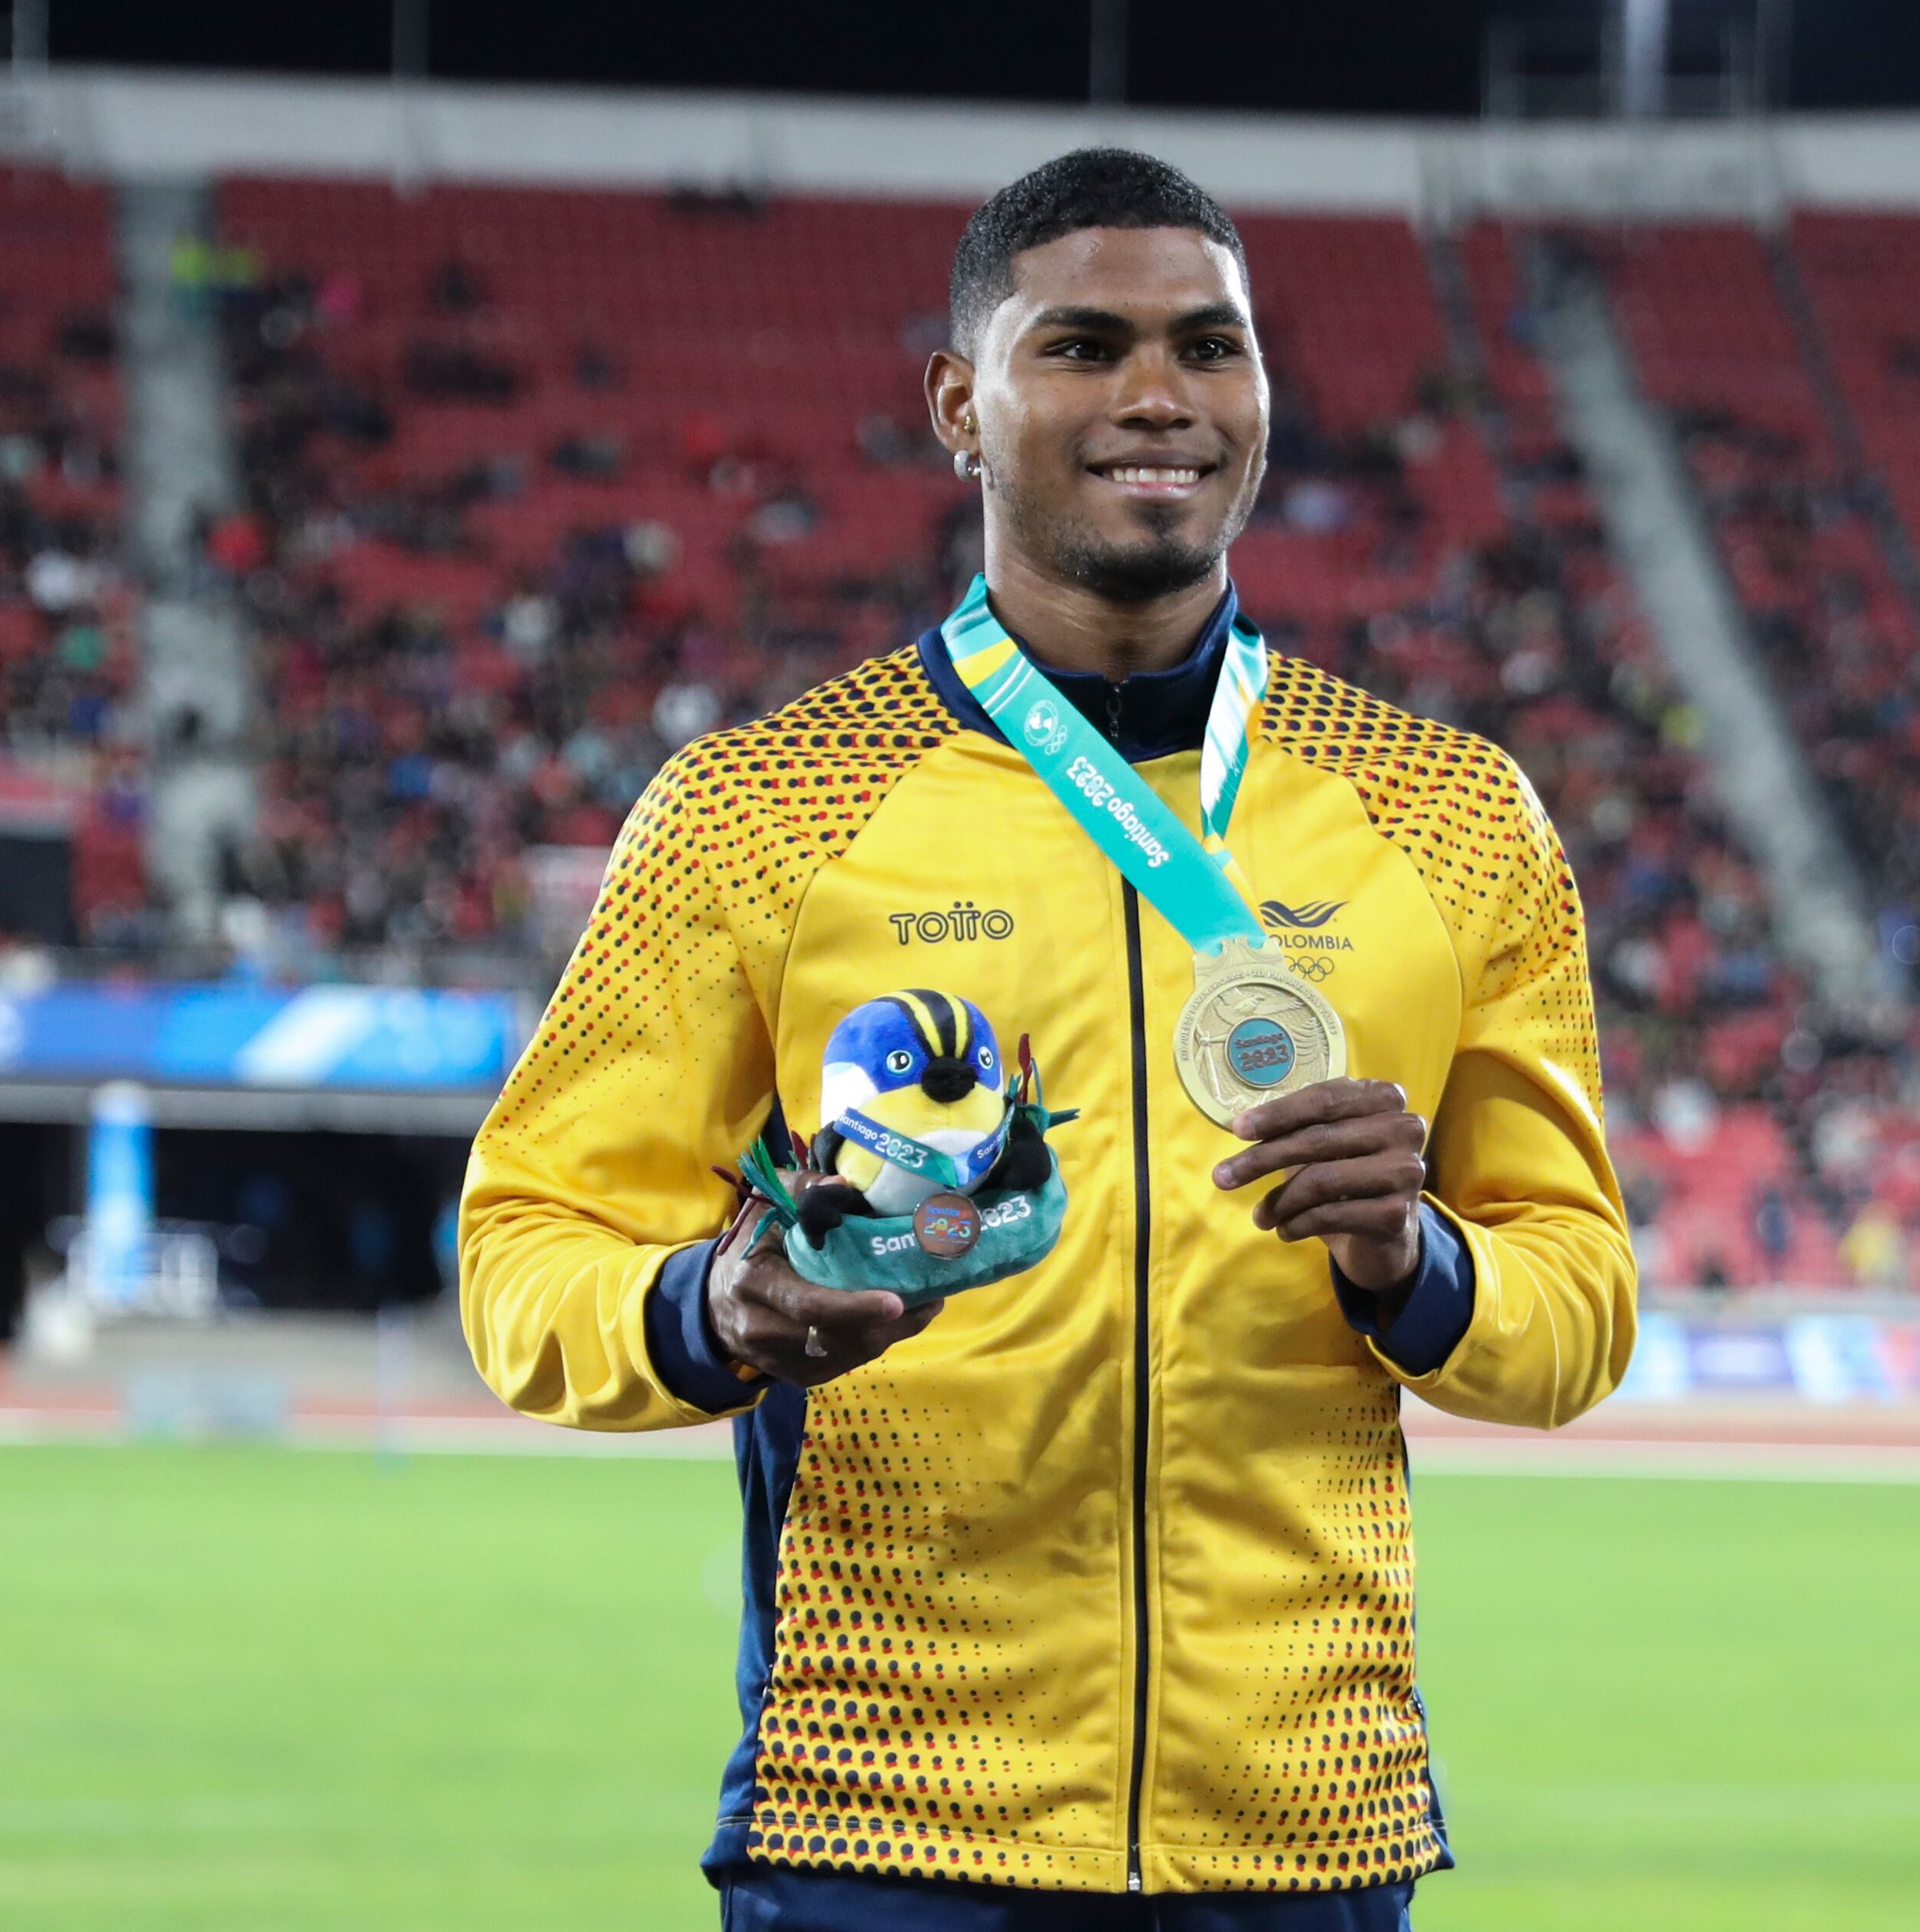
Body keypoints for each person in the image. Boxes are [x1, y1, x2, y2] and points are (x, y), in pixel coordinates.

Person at [458, 149, 1636, 1930]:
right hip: (884, 1813)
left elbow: (1580, 1305)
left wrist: (1418, 1259)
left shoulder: (1450, 813)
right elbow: (522, 1250)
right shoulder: (761, 809)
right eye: (1082, 346)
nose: (1159, 396)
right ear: (961, 401)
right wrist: (717, 1306)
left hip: (1306, 1823)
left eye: (1210, 349)